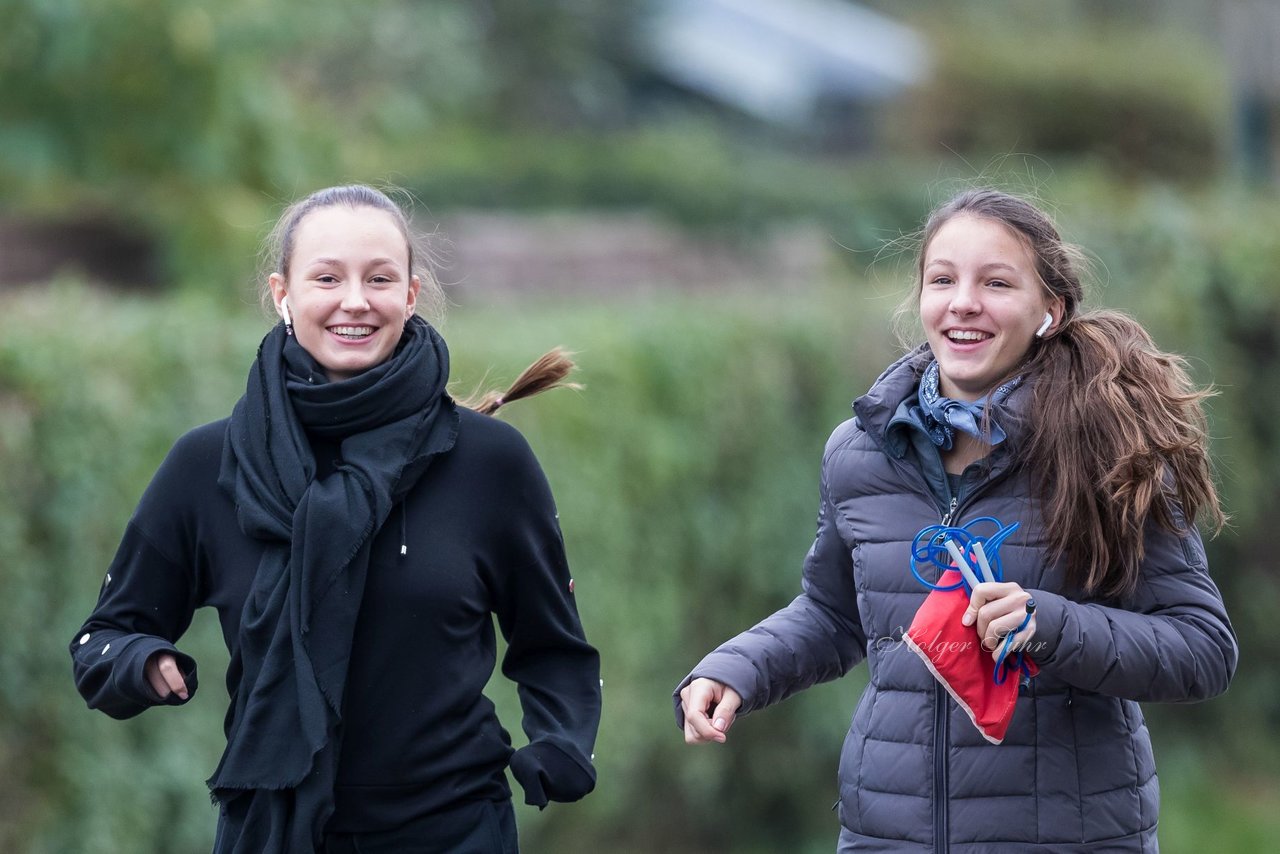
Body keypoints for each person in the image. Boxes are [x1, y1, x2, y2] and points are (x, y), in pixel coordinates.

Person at [675, 188, 1236, 851]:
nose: (963, 301)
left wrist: (1050, 624)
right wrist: (735, 668)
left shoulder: (1110, 449)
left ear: (1049, 310)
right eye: (943, 279)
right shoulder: (860, 452)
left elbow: (1202, 650)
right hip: (888, 833)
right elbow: (834, 615)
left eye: (996, 282)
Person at [70, 184, 601, 853]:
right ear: (281, 294)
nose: (355, 300)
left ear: (409, 296)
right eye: (327, 277)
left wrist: (560, 743)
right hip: (272, 830)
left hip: (453, 829)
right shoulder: (207, 465)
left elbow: (552, 644)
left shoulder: (489, 463)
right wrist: (140, 661)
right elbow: (108, 635)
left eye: (379, 279)